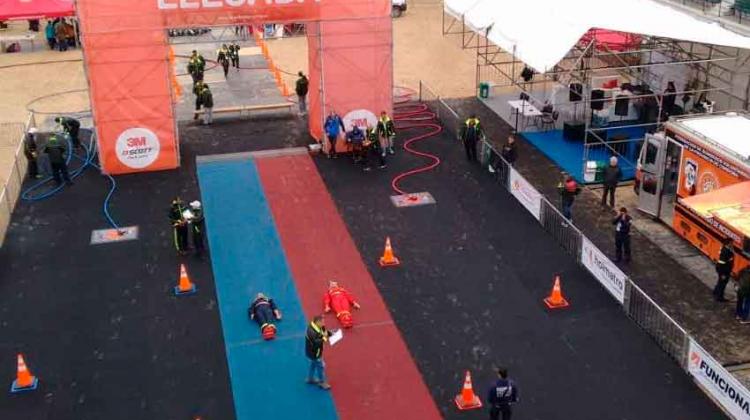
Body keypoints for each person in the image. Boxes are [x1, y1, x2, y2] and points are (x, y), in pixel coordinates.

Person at [305, 315, 334, 390]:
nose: (324, 323)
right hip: (314, 353)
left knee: (313, 364)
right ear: (317, 322)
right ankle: (322, 382)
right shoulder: (311, 332)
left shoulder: (318, 326)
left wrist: (330, 333)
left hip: (314, 352)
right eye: (322, 322)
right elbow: (316, 343)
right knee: (320, 367)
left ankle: (310, 378)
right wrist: (325, 338)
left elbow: (323, 332)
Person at [714, 237, 735, 302]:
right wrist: (722, 273)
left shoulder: (726, 249)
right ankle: (719, 298)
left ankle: (715, 292)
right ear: (728, 243)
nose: (732, 244)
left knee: (720, 281)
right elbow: (722, 263)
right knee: (722, 284)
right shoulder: (726, 251)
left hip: (724, 270)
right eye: (731, 243)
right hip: (724, 271)